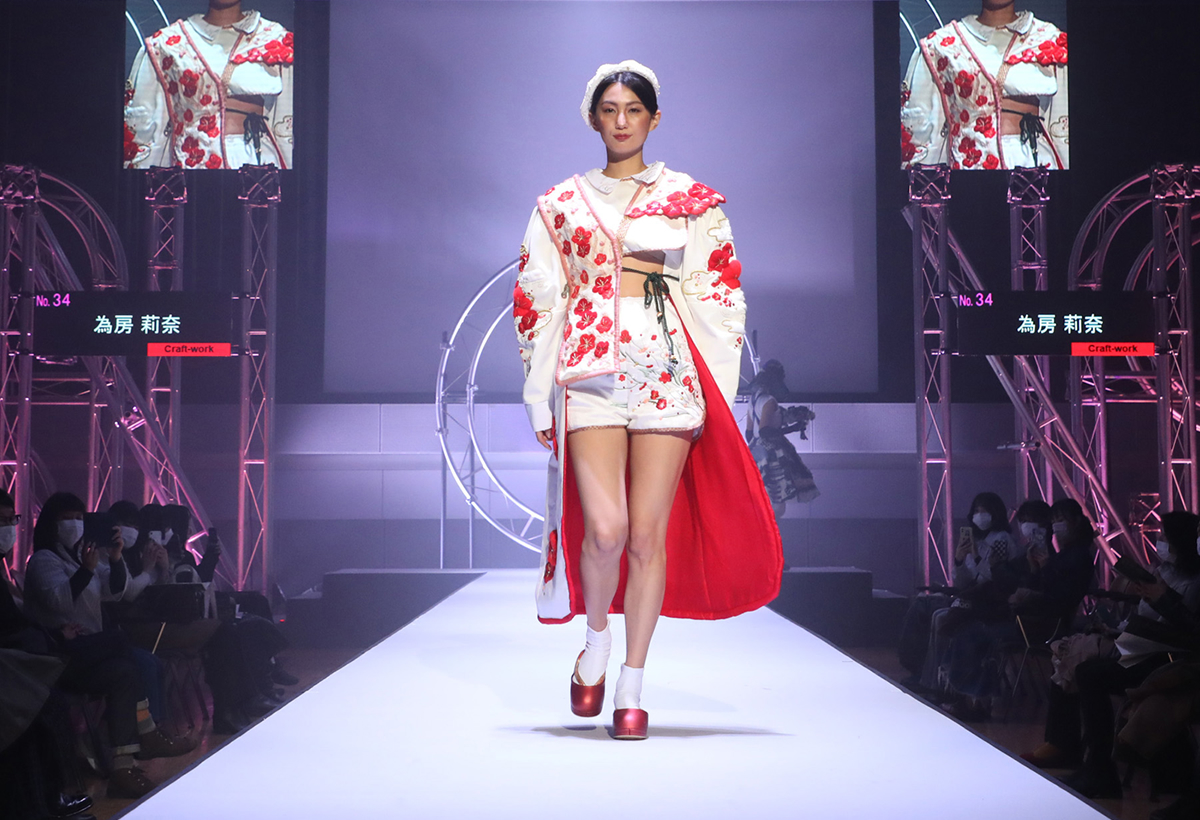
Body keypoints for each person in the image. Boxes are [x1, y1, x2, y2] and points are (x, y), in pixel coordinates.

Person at [514, 60, 782, 739]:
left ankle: (632, 685)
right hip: (590, 371)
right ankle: (595, 643)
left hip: (667, 370)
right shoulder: (560, 204)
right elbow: (539, 300)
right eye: (610, 109)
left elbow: (717, 293)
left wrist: (718, 394)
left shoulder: (691, 199)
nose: (622, 120)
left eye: (634, 109)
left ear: (654, 118)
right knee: (604, 531)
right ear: (593, 118)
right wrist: (538, 395)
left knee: (644, 536)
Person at [124, 0, 294, 169]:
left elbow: (287, 126)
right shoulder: (164, 45)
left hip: (258, 165)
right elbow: (146, 130)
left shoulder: (276, 39)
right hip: (192, 169)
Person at [901, 1, 1068, 170]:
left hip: (1035, 168)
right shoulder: (940, 46)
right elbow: (924, 133)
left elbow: (1063, 129)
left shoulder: (1049, 39)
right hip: (970, 171)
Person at [744, 359, 819, 520]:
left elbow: (749, 433)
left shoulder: (753, 400)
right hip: (772, 455)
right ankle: (766, 527)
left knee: (764, 496)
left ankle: (761, 523)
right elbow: (765, 431)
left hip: (756, 454)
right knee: (778, 504)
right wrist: (793, 429)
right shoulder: (770, 401)